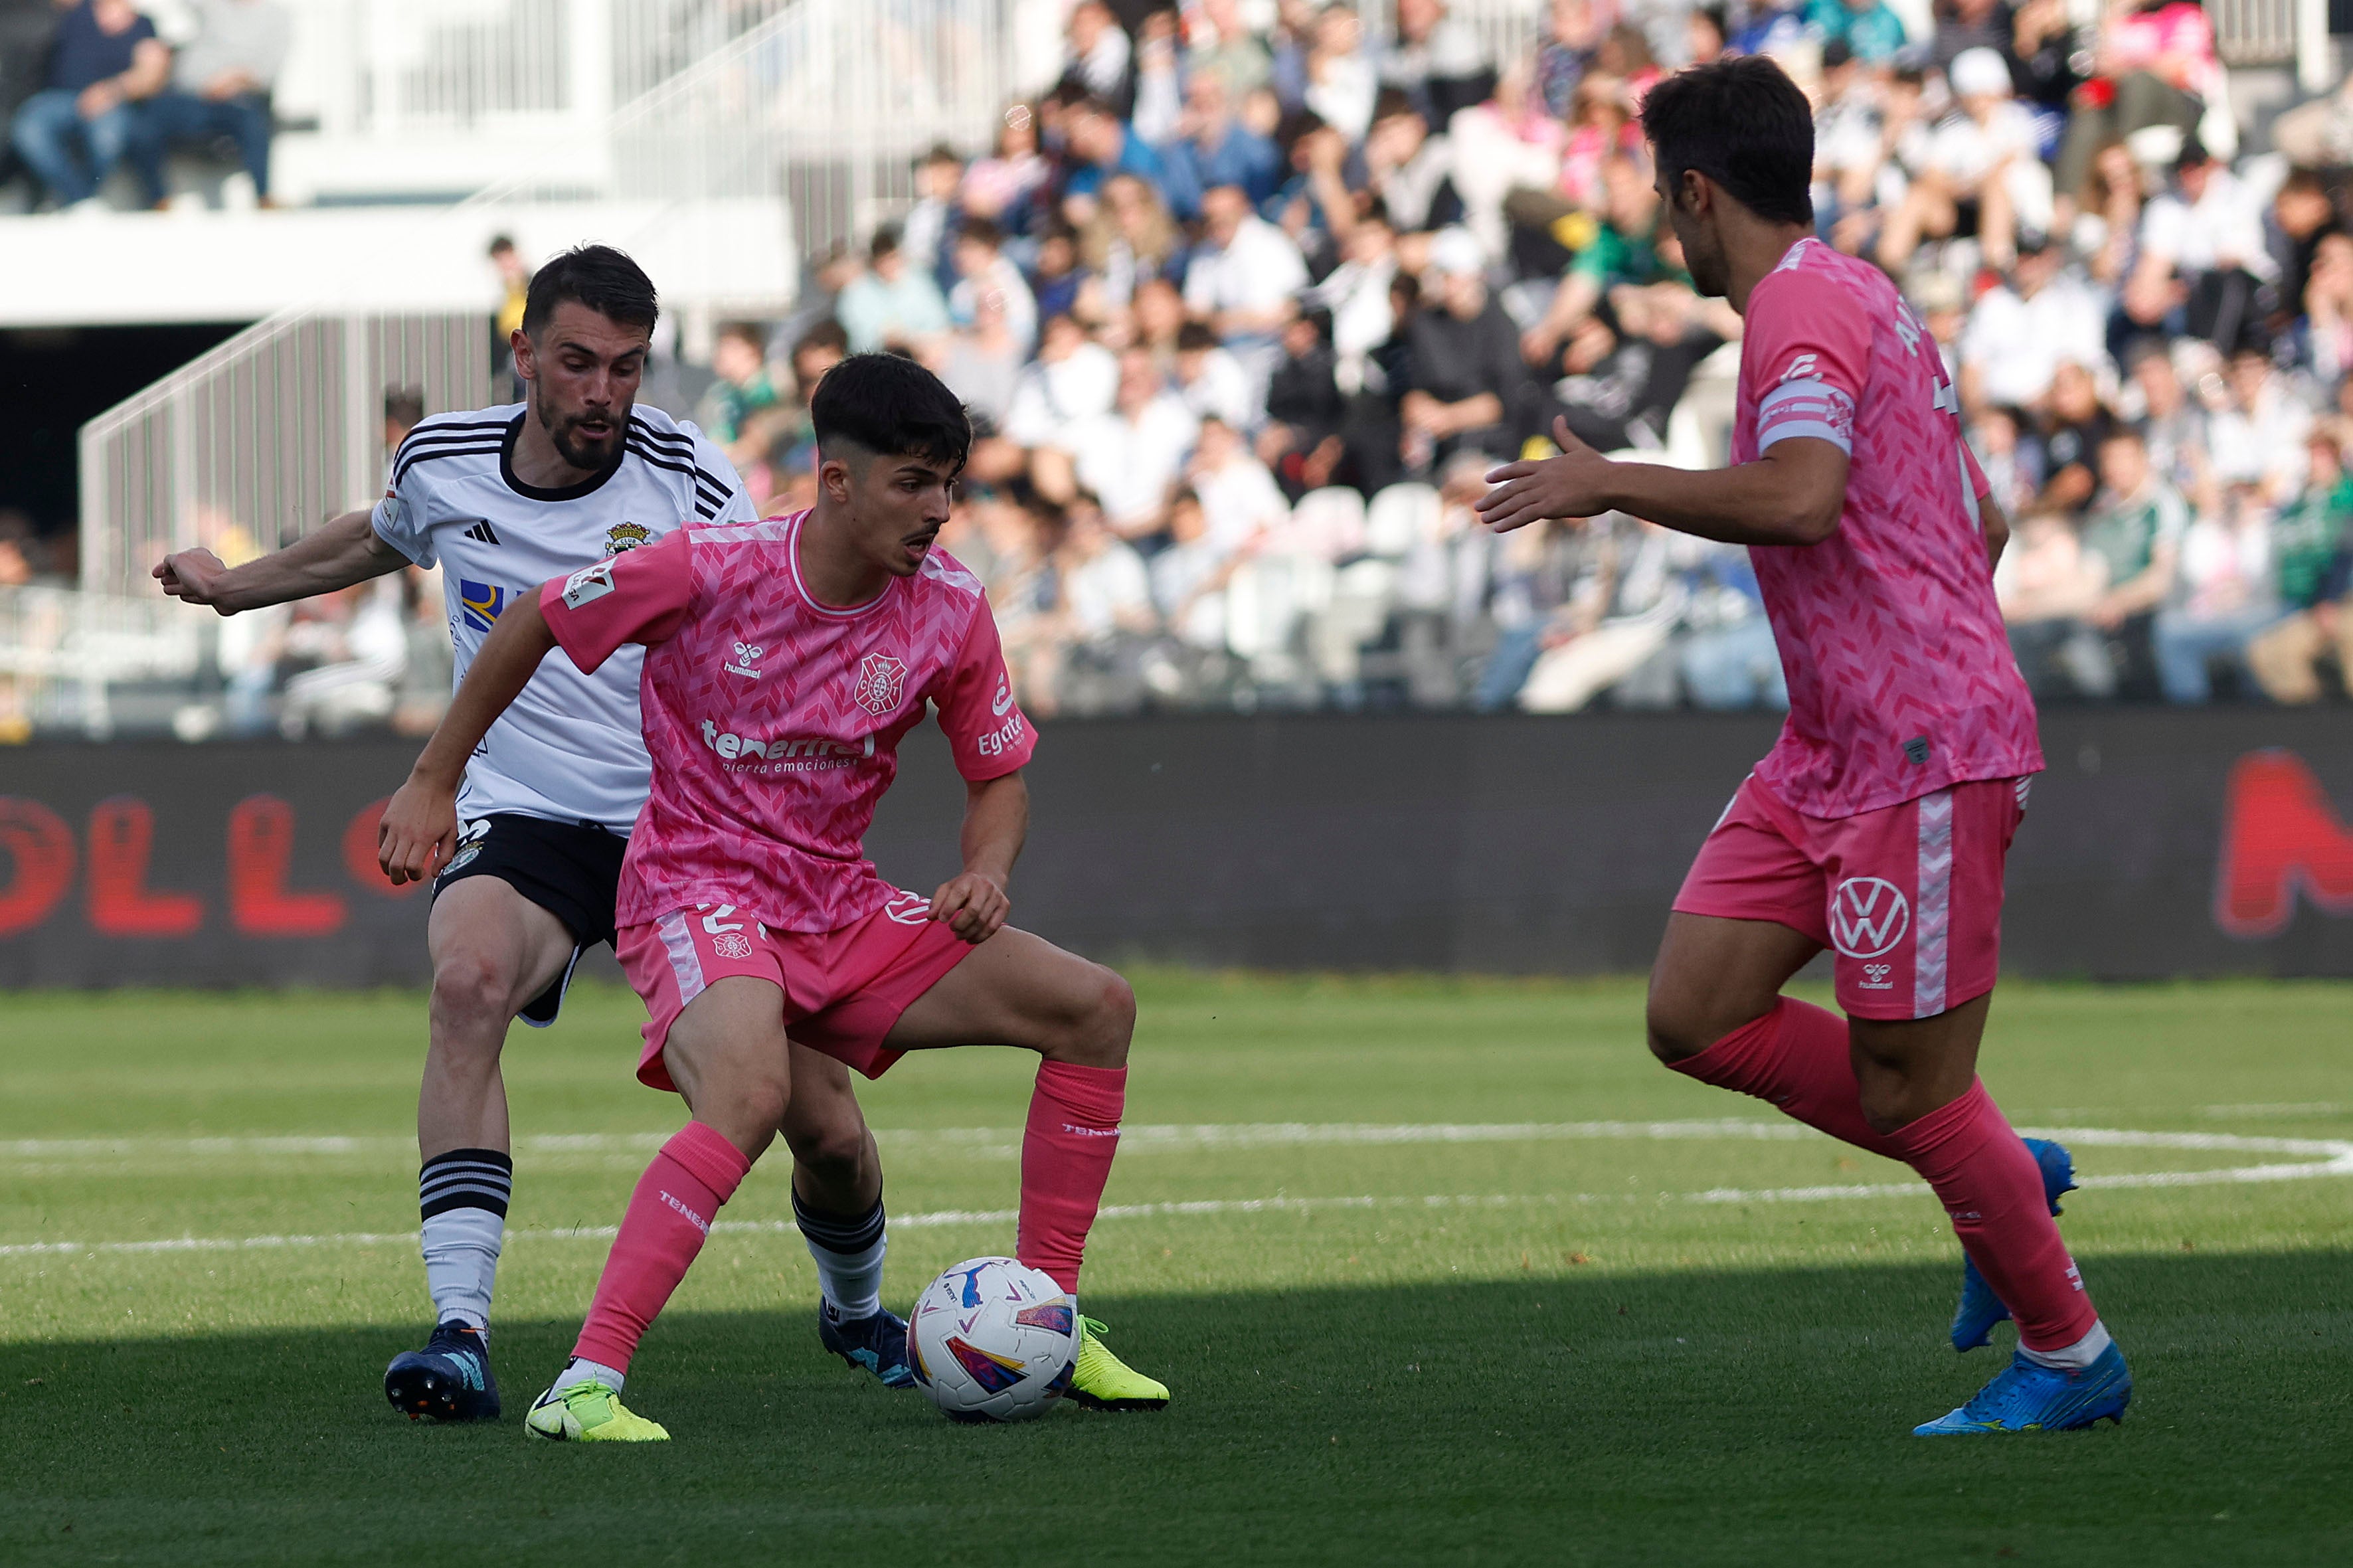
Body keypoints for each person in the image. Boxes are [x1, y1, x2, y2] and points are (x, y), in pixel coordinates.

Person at [1477, 56, 2129, 1435]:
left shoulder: (1799, 310)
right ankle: (1998, 1174)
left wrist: (1608, 481)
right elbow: (1980, 518)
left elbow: (1801, 496)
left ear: (1699, 194)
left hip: (1916, 752)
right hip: (1832, 744)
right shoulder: (1858, 294)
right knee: (1693, 1011)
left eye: (1664, 201)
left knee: (1911, 1084)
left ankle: (2070, 1356)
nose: (1667, 227)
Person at [153, 247, 911, 1423]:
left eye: (624, 367)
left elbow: (778, 593)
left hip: (691, 832)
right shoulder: (445, 459)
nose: (602, 390)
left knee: (817, 1125)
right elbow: (384, 532)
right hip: (533, 813)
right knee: (465, 980)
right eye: (576, 363)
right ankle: (459, 1332)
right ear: (524, 357)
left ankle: (854, 1308)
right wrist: (238, 588)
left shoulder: (688, 476)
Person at [377, 352, 1170, 1440]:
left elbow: (997, 779)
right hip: (694, 891)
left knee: (1090, 1012)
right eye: (912, 483)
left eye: (948, 483)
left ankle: (1045, 1319)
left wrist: (985, 871)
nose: (937, 509)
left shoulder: (948, 607)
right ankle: (586, 1384)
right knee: (747, 1099)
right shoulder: (705, 567)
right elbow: (535, 621)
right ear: (835, 482)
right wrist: (436, 778)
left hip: (836, 906)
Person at [9, 0, 167, 210]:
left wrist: (112, 90)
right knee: (28, 128)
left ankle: (84, 199)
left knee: (108, 135)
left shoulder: (142, 24)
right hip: (61, 99)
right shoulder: (76, 12)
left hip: (113, 103)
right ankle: (80, 199)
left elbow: (152, 74)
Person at [131, 0, 288, 207]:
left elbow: (268, 71)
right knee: (144, 122)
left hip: (237, 100)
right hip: (190, 97)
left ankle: (263, 197)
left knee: (254, 123)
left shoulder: (276, 17)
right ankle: (159, 199)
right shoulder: (214, 6)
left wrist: (233, 80)